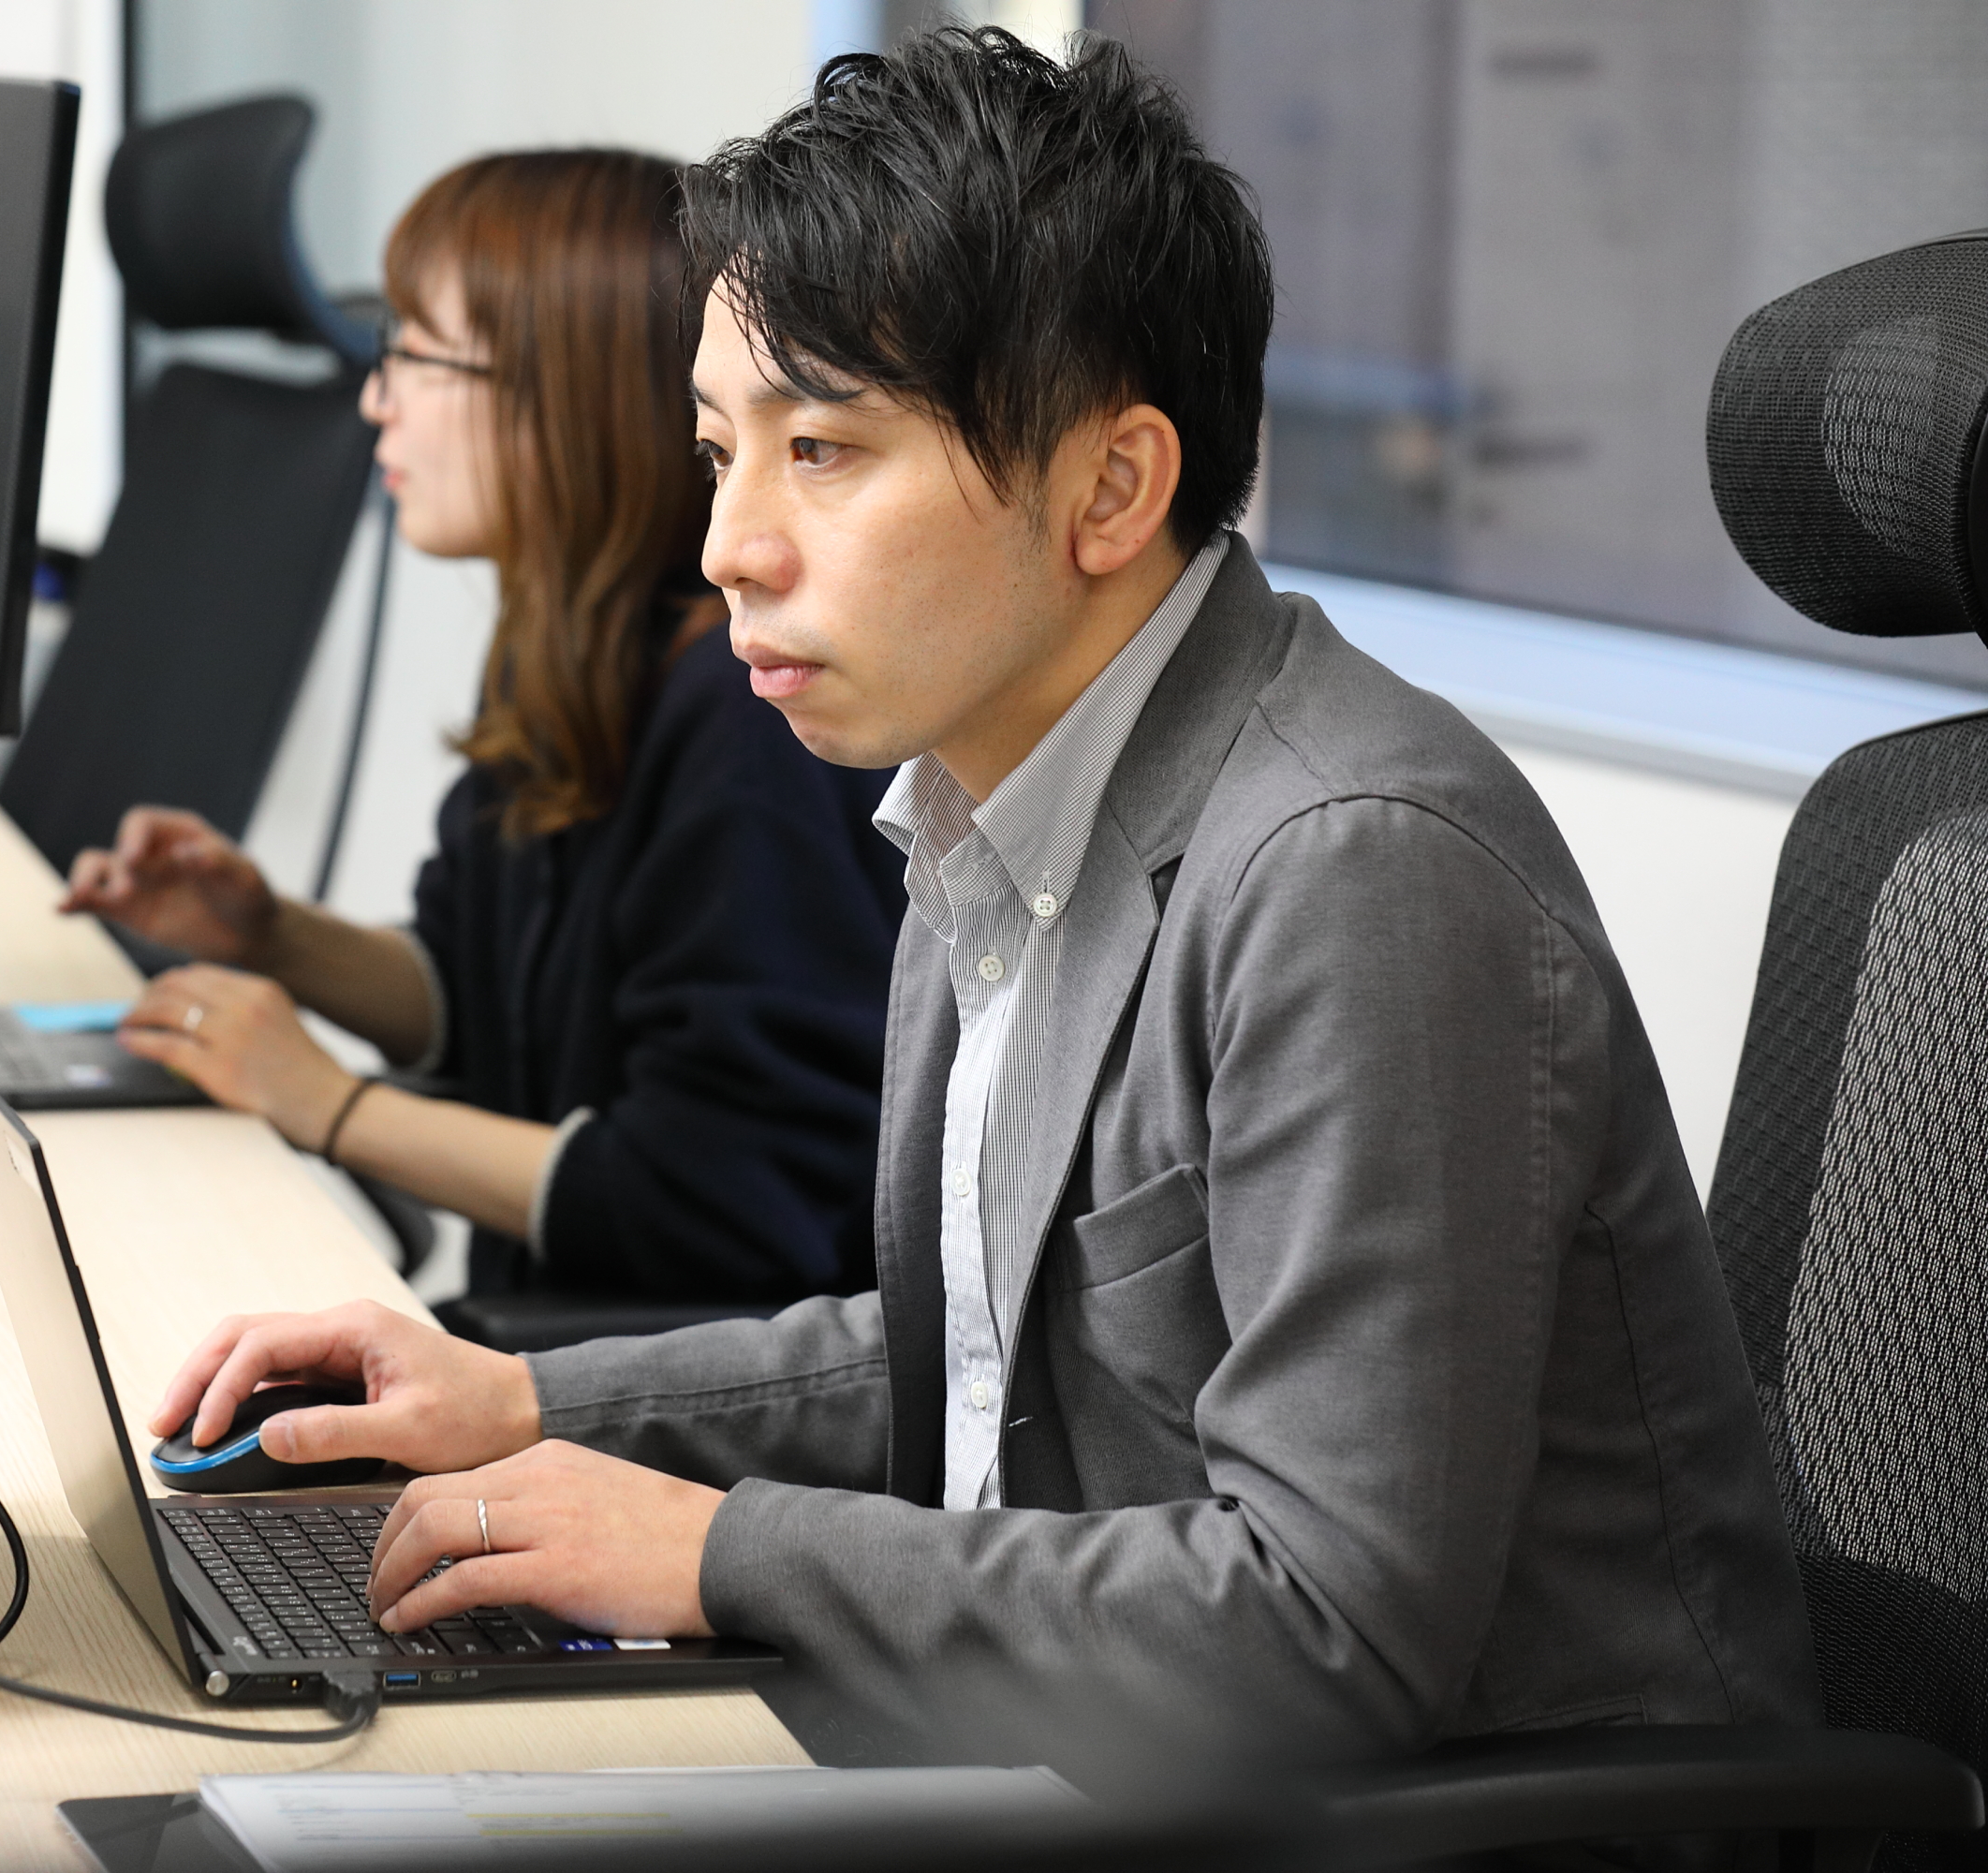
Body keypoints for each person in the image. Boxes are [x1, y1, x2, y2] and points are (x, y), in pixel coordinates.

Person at [144, 29, 1819, 1782]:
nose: (729, 545)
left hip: (1458, 1820)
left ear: (1112, 488)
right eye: (720, 451)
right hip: (1104, 1744)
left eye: (824, 450)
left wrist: (721, 1553)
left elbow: (1329, 1627)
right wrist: (526, 1401)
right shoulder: (981, 794)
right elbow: (994, 1350)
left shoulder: (1349, 866)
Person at [60, 151, 903, 1306]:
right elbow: (474, 992)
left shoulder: (744, 719)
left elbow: (725, 1199)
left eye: (413, 354)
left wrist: (330, 1104)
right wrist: (270, 933)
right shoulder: (565, 649)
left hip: (659, 1375)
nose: (376, 399)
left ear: (565, 395)